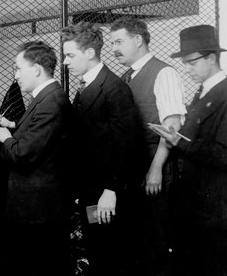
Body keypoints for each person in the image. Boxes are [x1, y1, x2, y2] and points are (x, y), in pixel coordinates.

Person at [149, 25, 227, 276]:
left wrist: (177, 142)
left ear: (212, 58)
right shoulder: (206, 93)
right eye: (184, 63)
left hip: (212, 213)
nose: (187, 69)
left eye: (192, 63)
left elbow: (225, 156)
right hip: (194, 209)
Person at [61, 21, 145, 276]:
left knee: (110, 255)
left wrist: (111, 190)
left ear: (89, 53)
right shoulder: (88, 86)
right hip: (91, 191)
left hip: (105, 194)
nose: (65, 62)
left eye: (70, 55)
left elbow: (126, 144)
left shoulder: (113, 89)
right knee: (98, 252)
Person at [109, 17, 187, 276]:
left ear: (138, 40)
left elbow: (171, 127)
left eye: (119, 41)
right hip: (134, 173)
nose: (114, 48)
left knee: (157, 243)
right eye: (112, 43)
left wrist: (156, 169)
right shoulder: (125, 77)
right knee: (138, 243)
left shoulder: (164, 73)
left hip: (156, 173)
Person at [0, 41, 73, 275]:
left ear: (36, 69)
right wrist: (13, 125)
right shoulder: (44, 98)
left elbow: (22, 154)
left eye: (18, 68)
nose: (16, 75)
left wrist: (6, 137)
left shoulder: (50, 102)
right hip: (36, 206)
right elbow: (37, 132)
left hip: (39, 209)